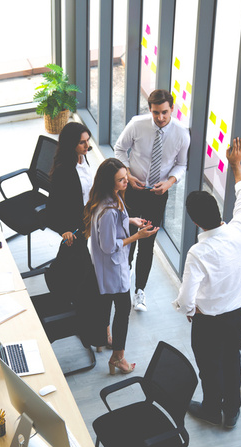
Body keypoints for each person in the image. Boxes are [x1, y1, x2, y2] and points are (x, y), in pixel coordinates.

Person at [173, 137, 241, 429]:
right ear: (219, 212)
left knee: (209, 368)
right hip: (240, 314)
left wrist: (189, 311)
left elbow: (185, 299)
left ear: (196, 223)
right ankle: (231, 411)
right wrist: (236, 165)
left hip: (209, 322)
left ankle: (211, 409)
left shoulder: (198, 253)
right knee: (232, 359)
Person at [114, 89, 190, 312]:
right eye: (156, 113)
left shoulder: (181, 134)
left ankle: (140, 291)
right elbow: (120, 148)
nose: (160, 118)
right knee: (128, 236)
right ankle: (122, 277)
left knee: (147, 244)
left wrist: (169, 183)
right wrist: (127, 173)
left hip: (157, 195)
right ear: (150, 109)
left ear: (172, 109)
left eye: (165, 112)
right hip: (131, 190)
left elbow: (182, 164)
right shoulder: (137, 124)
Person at [83, 158, 158, 374]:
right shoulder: (108, 211)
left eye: (126, 177)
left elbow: (115, 226)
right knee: (123, 309)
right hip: (113, 268)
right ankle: (118, 357)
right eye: (121, 180)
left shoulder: (110, 199)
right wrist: (137, 236)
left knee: (107, 302)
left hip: (109, 269)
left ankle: (103, 339)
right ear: (110, 183)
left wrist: (130, 220)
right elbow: (108, 246)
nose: (127, 182)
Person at [45, 122, 109, 349]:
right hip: (77, 230)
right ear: (72, 144)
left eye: (87, 140)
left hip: (90, 223)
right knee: (90, 286)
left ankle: (98, 333)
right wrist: (63, 230)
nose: (87, 145)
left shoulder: (83, 160)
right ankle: (96, 335)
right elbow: (52, 209)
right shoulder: (64, 170)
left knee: (90, 282)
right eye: (82, 142)